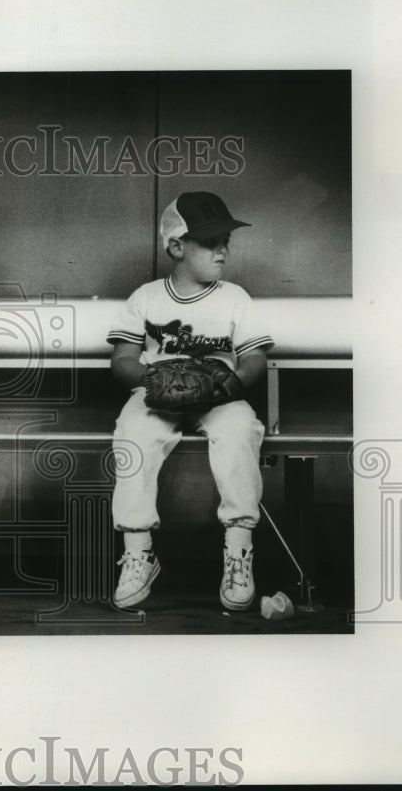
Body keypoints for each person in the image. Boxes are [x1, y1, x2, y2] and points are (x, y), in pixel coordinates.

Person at [106, 192, 273, 611]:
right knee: (133, 435)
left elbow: (254, 359)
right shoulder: (146, 297)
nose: (223, 249)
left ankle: (238, 547)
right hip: (157, 396)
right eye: (209, 240)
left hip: (218, 396)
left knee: (240, 430)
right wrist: (155, 378)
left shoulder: (235, 297)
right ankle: (138, 550)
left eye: (225, 240)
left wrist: (228, 386)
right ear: (176, 247)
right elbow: (122, 360)